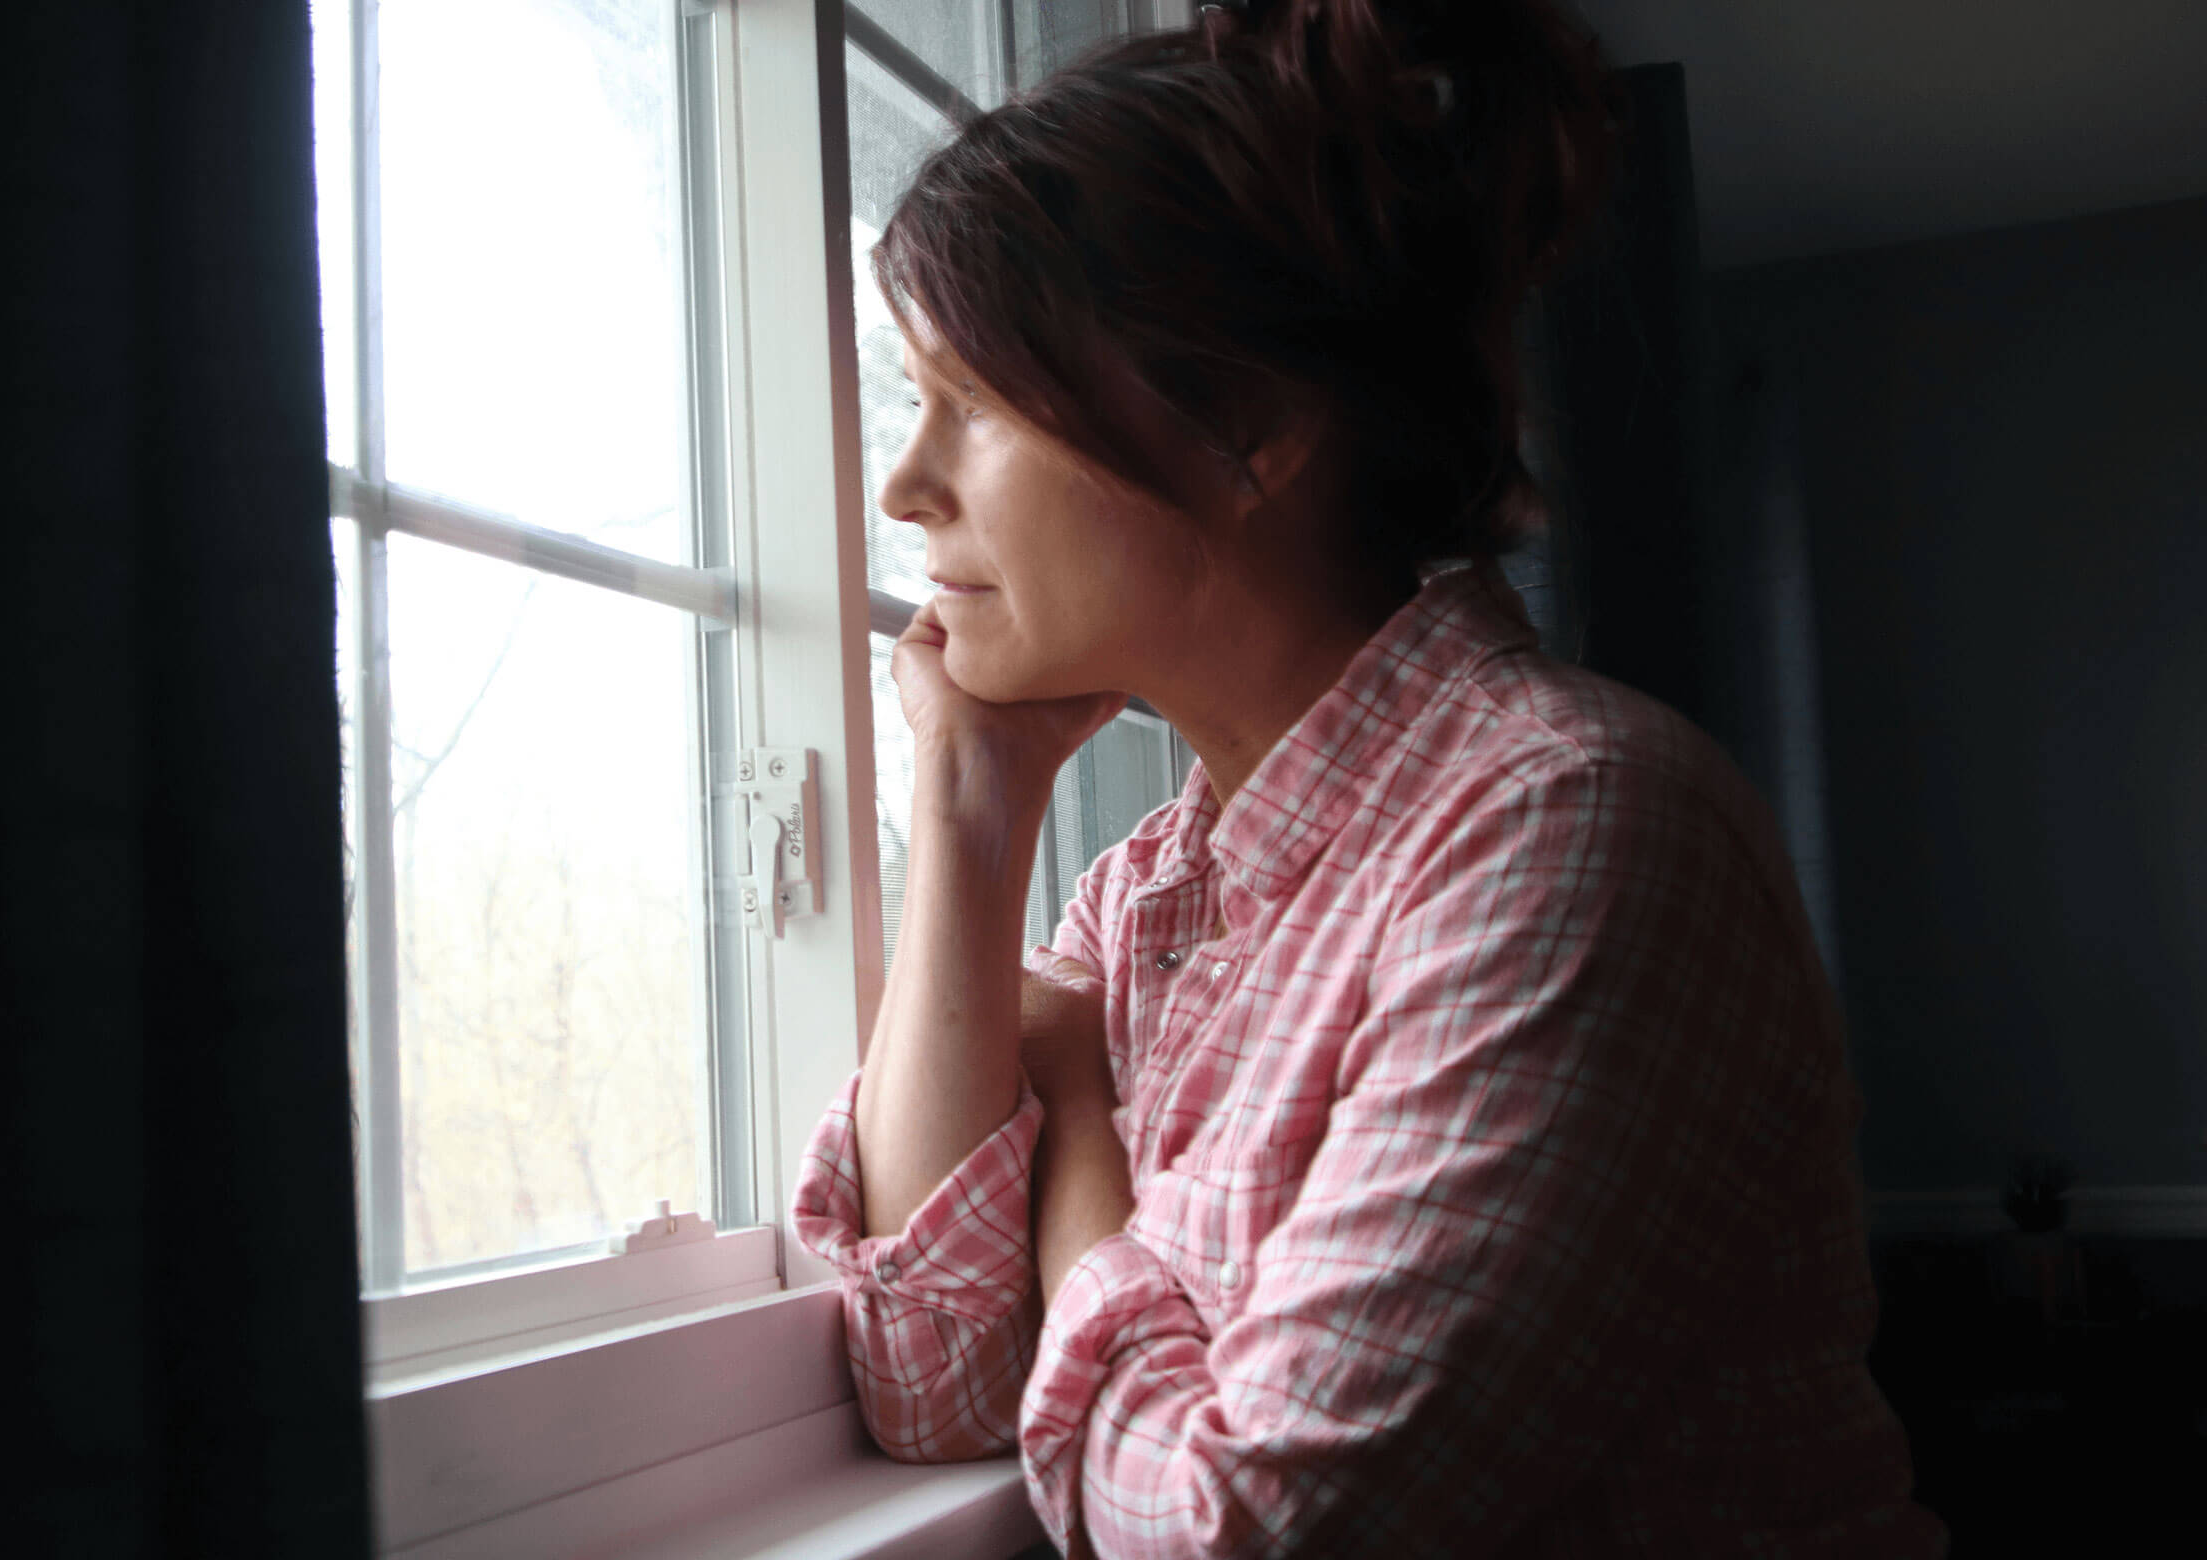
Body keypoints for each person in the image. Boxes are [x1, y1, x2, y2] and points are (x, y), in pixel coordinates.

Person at [786, 2, 1949, 1555]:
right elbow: (932, 1381)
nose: (903, 483)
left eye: (974, 404)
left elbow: (1246, 1530)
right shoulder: (1151, 896)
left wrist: (1079, 1121)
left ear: (1248, 425)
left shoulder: (1565, 834)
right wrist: (968, 805)